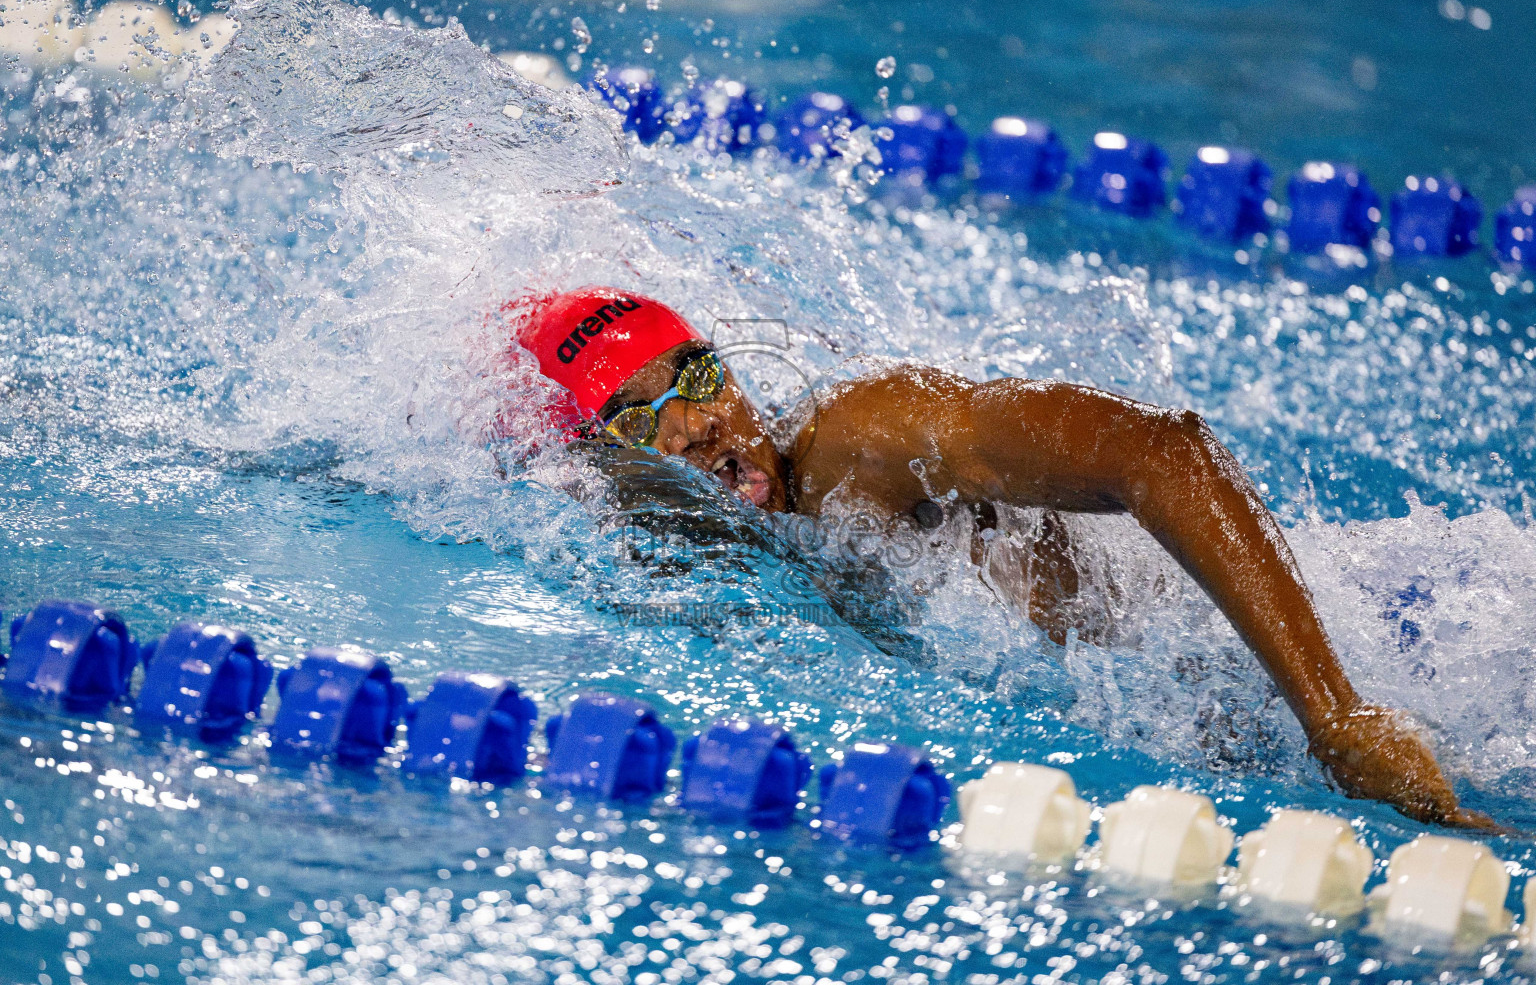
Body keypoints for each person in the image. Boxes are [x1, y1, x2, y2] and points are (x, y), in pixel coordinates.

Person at [511, 284, 1491, 829]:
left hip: (1395, 619)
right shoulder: (665, 541)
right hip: (1205, 692)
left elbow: (1163, 452)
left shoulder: (863, 442)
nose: (704, 426)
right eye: (645, 418)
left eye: (699, 375)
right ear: (605, 463)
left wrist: (1336, 713)